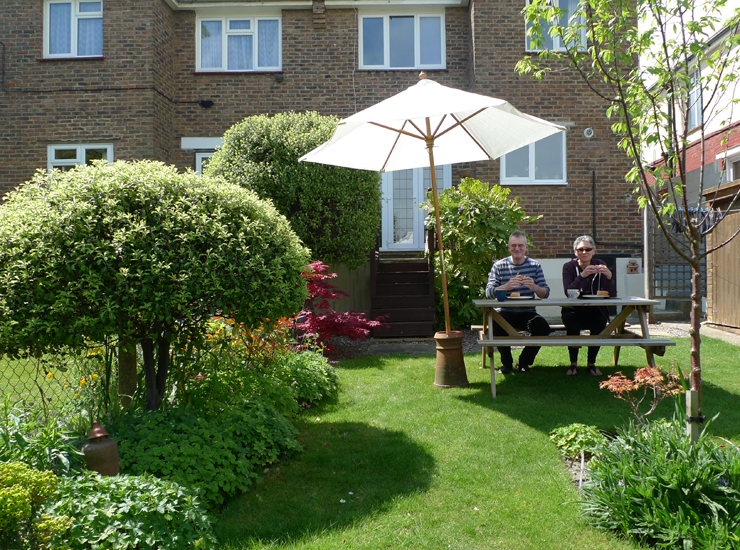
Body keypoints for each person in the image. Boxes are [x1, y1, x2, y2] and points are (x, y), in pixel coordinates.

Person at [485, 230, 550, 374]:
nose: (517, 249)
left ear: (526, 247)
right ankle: (506, 364)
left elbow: (545, 293)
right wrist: (505, 287)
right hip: (504, 312)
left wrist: (533, 286)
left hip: (527, 312)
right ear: (509, 248)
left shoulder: (534, 265)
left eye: (521, 245)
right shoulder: (499, 266)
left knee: (543, 328)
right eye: (513, 245)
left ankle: (524, 362)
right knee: (496, 326)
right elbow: (488, 292)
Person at [561, 235, 613, 377]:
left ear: (594, 251)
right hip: (573, 309)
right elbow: (568, 292)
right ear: (575, 252)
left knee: (600, 322)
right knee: (571, 322)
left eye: (588, 249)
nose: (584, 252)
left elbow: (607, 293)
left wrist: (609, 277)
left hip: (595, 308)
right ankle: (573, 363)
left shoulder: (600, 263)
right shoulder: (569, 267)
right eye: (581, 249)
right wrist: (582, 276)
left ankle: (591, 363)